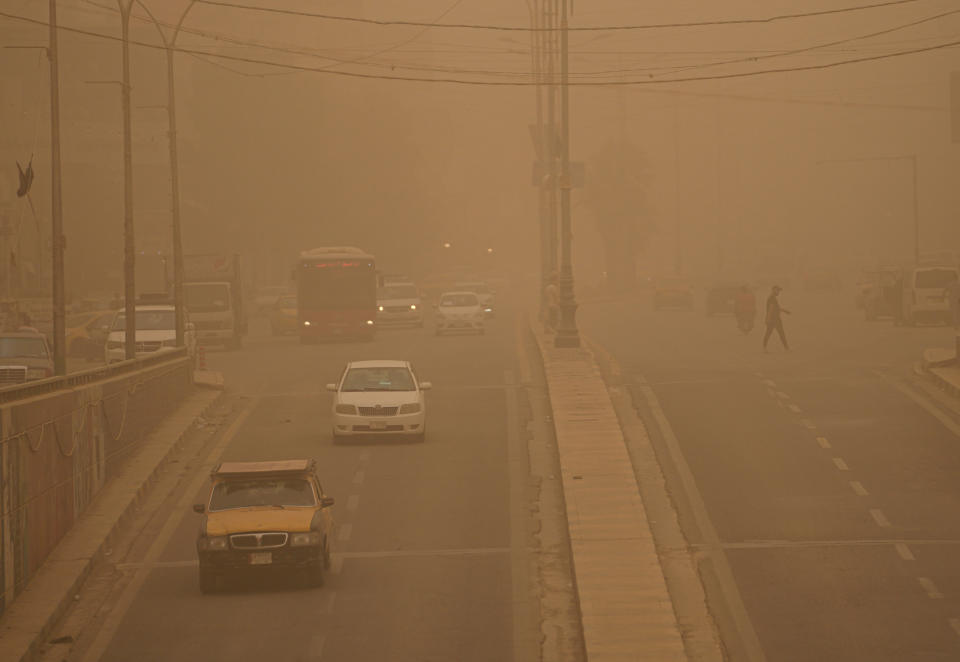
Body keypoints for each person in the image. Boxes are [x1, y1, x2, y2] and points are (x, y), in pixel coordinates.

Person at [763, 285, 790, 352]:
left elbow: (776, 308)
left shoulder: (773, 298)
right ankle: (786, 348)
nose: (778, 292)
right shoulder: (772, 298)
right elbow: (770, 309)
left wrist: (785, 311)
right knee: (777, 333)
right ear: (773, 290)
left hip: (775, 318)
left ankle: (764, 347)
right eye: (777, 290)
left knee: (773, 333)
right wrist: (768, 319)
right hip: (774, 319)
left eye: (779, 291)